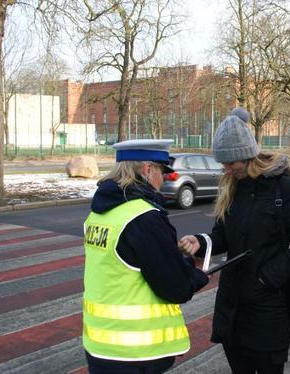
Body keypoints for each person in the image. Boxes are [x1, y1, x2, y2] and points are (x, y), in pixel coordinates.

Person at [179, 108, 290, 373]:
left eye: (231, 163)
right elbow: (221, 236)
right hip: (232, 308)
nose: (227, 169)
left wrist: (266, 279)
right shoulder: (232, 186)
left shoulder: (284, 188)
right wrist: (201, 242)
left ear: (247, 155)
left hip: (268, 309)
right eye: (223, 164)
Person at [82, 139, 209, 374]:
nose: (162, 181)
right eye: (162, 172)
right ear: (148, 170)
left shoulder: (100, 213)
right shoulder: (144, 217)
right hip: (135, 351)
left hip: (100, 345)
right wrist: (196, 275)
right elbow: (175, 287)